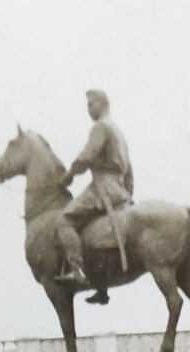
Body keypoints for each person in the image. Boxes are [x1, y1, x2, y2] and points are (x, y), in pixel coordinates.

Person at [55, 88, 134, 304]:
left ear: (101, 104)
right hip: (120, 189)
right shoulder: (118, 132)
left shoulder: (100, 127)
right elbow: (129, 170)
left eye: (90, 104)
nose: (88, 110)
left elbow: (87, 156)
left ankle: (76, 269)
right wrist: (127, 195)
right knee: (94, 230)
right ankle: (101, 286)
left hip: (103, 187)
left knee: (64, 219)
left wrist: (68, 176)